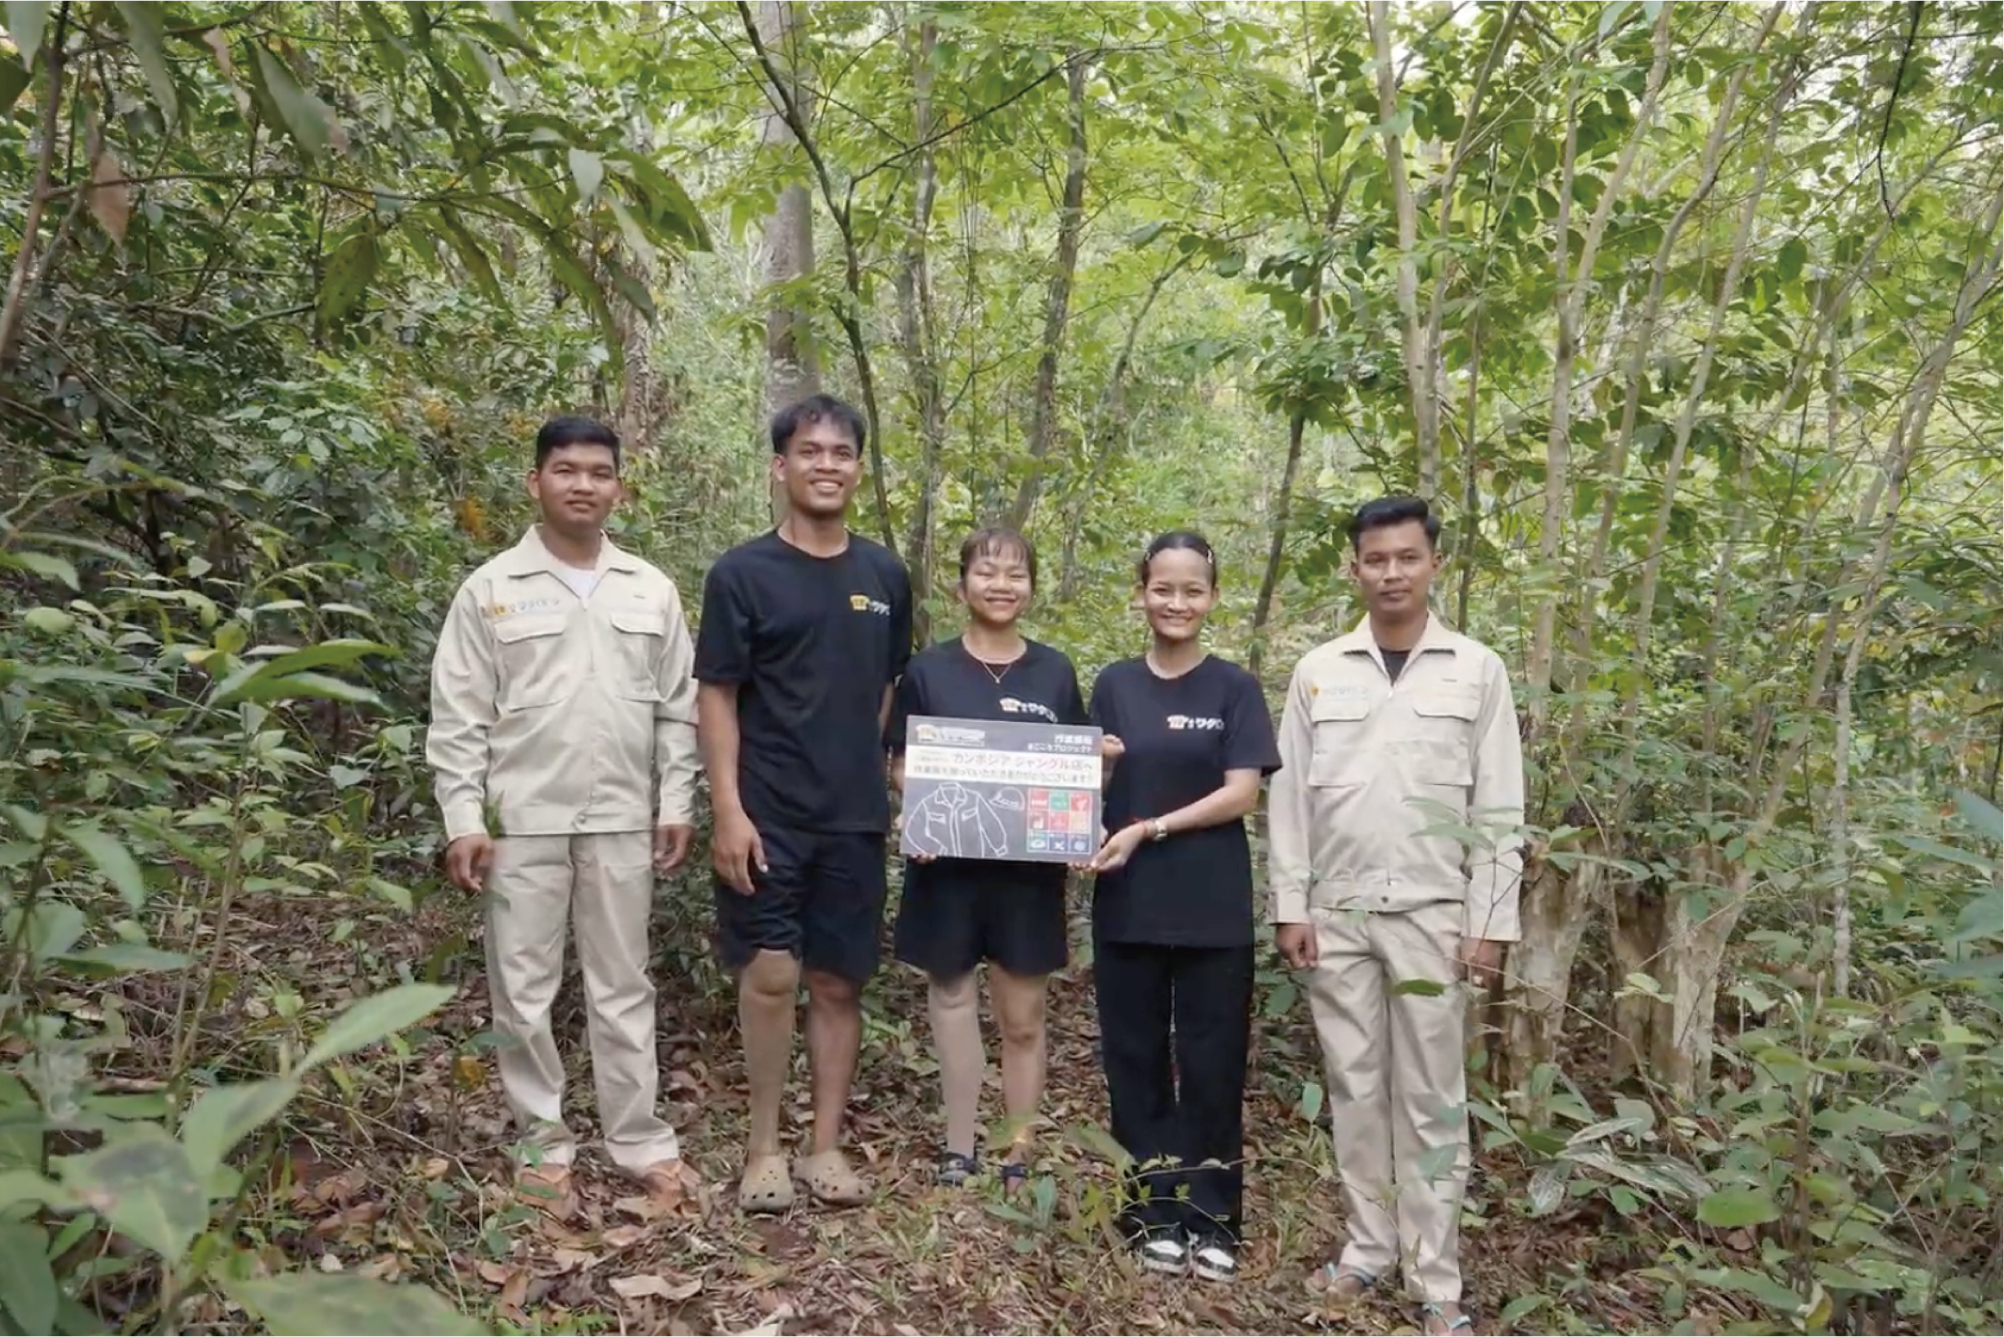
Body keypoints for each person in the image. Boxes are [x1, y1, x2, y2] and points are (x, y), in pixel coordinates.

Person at [427, 415, 698, 1219]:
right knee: (523, 988)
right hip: (523, 819)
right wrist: (462, 816)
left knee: (623, 984)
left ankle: (640, 1140)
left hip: (620, 815)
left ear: (620, 486)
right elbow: (459, 714)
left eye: (599, 472)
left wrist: (675, 801)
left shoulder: (649, 589)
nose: (583, 484)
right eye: (566, 470)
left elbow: (677, 710)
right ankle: (541, 1144)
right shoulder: (491, 589)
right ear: (535, 482)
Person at [1267, 495, 1526, 1337]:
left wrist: (1488, 920)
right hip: (1336, 915)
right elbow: (1289, 801)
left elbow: (1499, 805)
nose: (1390, 573)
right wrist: (1291, 903)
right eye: (1375, 559)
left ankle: (1435, 1276)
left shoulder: (1475, 669)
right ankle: (1368, 1246)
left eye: (1406, 557)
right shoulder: (1319, 669)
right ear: (1354, 567)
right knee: (1355, 1083)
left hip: (1433, 916)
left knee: (1432, 1097)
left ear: (1433, 564)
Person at [695, 393, 913, 1214]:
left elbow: (886, 691)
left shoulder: (885, 575)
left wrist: (870, 772)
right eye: (809, 451)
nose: (827, 464)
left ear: (859, 466)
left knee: (837, 979)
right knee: (771, 972)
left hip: (853, 817)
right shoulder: (742, 573)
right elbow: (716, 695)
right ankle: (763, 1147)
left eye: (842, 451)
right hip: (767, 811)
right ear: (780, 466)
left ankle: (825, 1143)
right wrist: (728, 808)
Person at [1086, 531, 1280, 1284]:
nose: (1176, 602)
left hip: (1211, 908)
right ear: (1141, 593)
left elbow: (1242, 792)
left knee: (1212, 1063)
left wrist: (1151, 827)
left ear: (1213, 597)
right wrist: (1093, 789)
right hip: (1128, 903)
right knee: (1134, 1060)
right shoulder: (1113, 684)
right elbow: (1088, 792)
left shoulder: (1234, 687)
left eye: (1191, 589)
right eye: (1162, 588)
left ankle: (1213, 1215)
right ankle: (1150, 1209)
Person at [888, 528, 1089, 1189]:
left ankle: (1018, 1146)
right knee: (949, 995)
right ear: (961, 584)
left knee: (1023, 1014)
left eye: (1015, 574)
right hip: (945, 866)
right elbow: (902, 762)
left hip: (1027, 876)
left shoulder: (1055, 672)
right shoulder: (928, 669)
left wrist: (1097, 779)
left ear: (1033, 586)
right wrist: (919, 806)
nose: (1001, 584)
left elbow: (1073, 772)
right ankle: (958, 1143)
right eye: (987, 572)